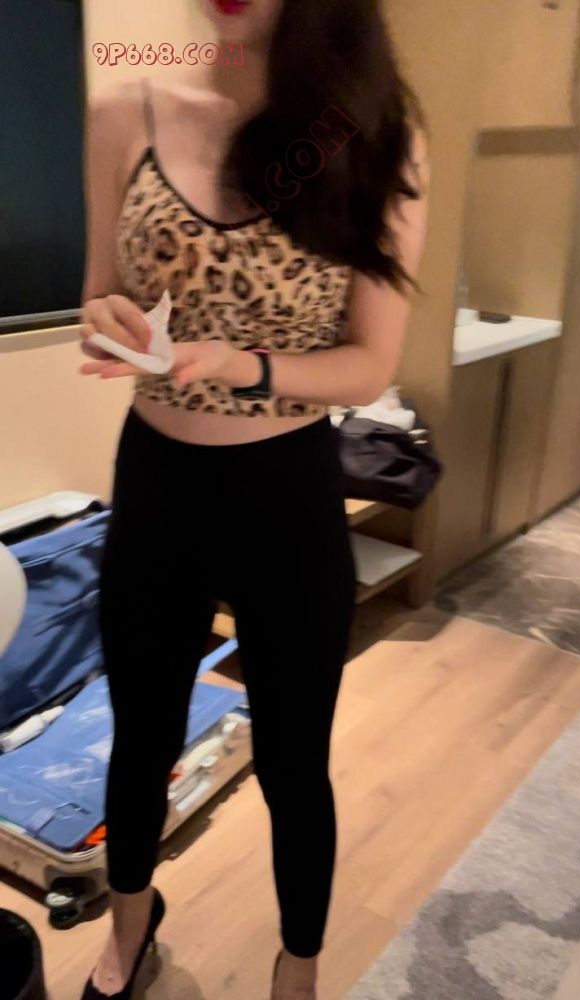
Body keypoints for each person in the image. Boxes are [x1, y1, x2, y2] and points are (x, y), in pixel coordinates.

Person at [78, 1, 429, 997]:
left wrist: (241, 363)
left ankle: (297, 967)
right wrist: (109, 325)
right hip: (156, 479)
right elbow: (96, 299)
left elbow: (370, 364)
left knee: (292, 759)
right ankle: (128, 931)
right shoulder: (126, 110)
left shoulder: (370, 130)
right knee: (141, 736)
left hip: (287, 491)